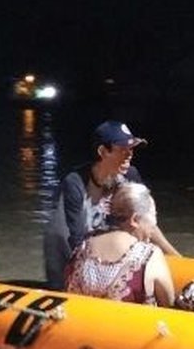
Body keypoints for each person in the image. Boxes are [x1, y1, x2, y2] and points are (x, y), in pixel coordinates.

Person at [43, 120, 179, 289]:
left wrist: (175, 257)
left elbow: (146, 221)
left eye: (131, 149)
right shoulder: (75, 182)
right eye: (122, 149)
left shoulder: (130, 175)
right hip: (67, 249)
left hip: (105, 247)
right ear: (102, 151)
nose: (129, 155)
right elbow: (75, 239)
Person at [64, 182, 175, 306]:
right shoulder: (150, 255)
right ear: (135, 220)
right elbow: (169, 304)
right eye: (153, 217)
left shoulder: (83, 246)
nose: (153, 227)